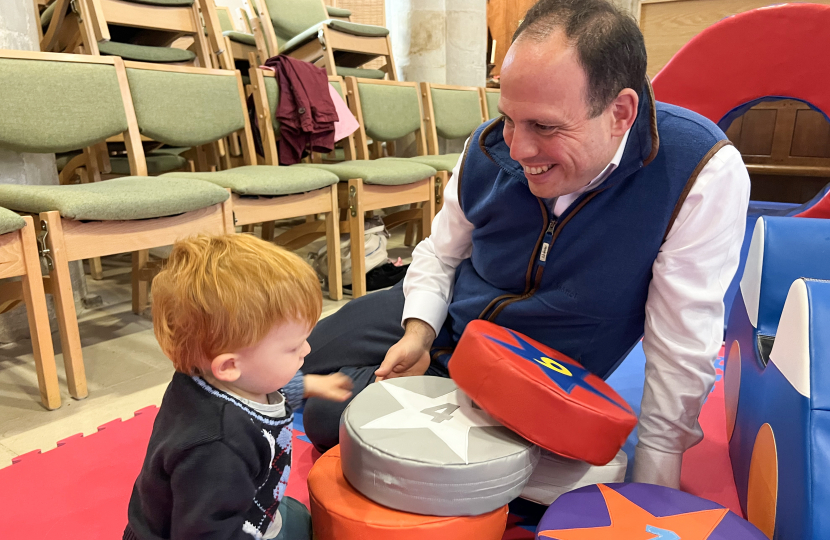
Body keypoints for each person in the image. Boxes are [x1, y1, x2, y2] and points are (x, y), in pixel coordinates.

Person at [302, 0, 750, 490]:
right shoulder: (489, 146)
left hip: (535, 358)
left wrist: (653, 483)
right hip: (452, 307)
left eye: (545, 126)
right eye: (509, 117)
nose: (517, 150)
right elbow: (440, 251)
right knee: (292, 359)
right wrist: (420, 332)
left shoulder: (699, 170)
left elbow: (682, 337)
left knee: (326, 415)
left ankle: (477, 426)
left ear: (621, 112)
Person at [123, 234, 353, 540]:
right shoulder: (218, 447)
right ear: (229, 366)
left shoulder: (214, 378)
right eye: (293, 347)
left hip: (240, 503)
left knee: (299, 516)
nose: (307, 351)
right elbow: (203, 532)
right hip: (208, 529)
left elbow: (266, 391)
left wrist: (309, 384)